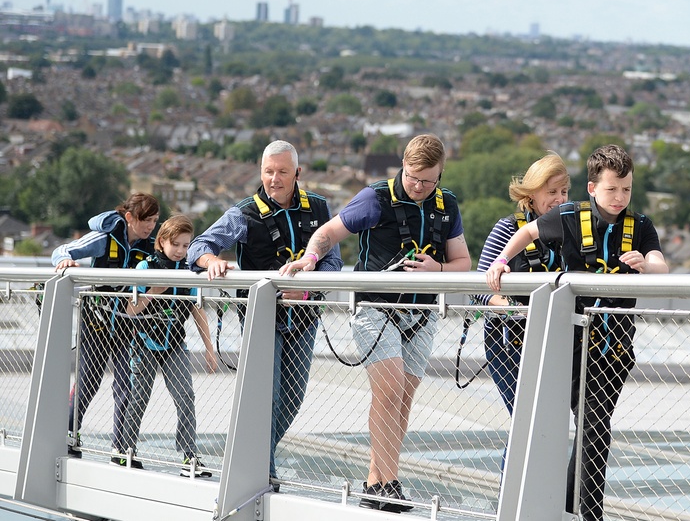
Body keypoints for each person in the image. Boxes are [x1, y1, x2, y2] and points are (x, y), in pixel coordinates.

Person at [282, 134, 471, 513]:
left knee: (402, 400)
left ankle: (374, 482)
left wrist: (439, 269)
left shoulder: (446, 204)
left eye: (427, 181)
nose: (418, 186)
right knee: (388, 391)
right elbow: (328, 233)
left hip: (421, 315)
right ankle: (389, 482)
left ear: (440, 175)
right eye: (412, 177)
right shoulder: (375, 198)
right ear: (402, 166)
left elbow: (463, 262)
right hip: (374, 308)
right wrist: (309, 259)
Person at [485, 144, 668, 521]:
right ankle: (558, 510)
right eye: (612, 189)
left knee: (596, 427)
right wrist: (501, 263)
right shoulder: (569, 217)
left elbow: (659, 264)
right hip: (569, 344)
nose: (620, 197)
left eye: (627, 189)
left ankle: (580, 512)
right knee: (557, 426)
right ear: (593, 188)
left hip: (613, 347)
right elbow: (527, 233)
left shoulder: (641, 227)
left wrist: (648, 268)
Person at [187, 140, 342, 488]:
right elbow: (199, 246)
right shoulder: (244, 213)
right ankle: (265, 475)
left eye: (283, 172)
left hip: (304, 317)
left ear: (297, 173)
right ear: (261, 172)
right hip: (260, 320)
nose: (274, 179)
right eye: (269, 172)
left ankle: (251, 457)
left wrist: (307, 286)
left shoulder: (319, 208)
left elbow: (334, 260)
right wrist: (211, 261)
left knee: (292, 398)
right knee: (266, 397)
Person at [51, 193, 159, 463]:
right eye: (146, 220)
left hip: (127, 324)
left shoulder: (149, 247)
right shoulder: (105, 239)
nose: (150, 227)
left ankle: (120, 448)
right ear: (130, 217)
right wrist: (65, 261)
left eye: (155, 221)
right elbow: (62, 251)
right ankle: (67, 435)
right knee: (88, 382)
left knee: (127, 384)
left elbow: (174, 256)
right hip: (96, 322)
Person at [474, 152, 569, 427]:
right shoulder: (507, 229)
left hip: (554, 339)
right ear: (531, 195)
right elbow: (480, 285)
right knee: (527, 422)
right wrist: (514, 309)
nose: (559, 199)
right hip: (509, 342)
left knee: (548, 423)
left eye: (563, 191)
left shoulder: (571, 231)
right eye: (551, 191)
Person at [118, 214, 217, 477]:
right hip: (144, 344)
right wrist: (154, 291)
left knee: (186, 396)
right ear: (161, 242)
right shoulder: (145, 267)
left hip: (175, 344)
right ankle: (125, 451)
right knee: (139, 397)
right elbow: (130, 309)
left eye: (186, 246)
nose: (181, 251)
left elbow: (198, 311)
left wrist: (209, 349)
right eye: (176, 245)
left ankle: (189, 456)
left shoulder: (188, 271)